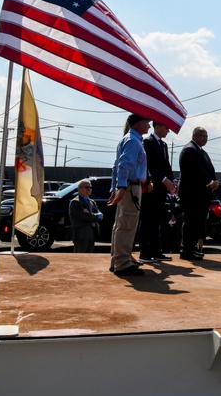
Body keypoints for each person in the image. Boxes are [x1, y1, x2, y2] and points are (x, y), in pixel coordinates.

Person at [107, 113, 150, 276]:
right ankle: (122, 263)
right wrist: (122, 187)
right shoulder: (133, 141)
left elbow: (116, 166)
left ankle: (117, 260)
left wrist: (116, 187)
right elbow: (124, 165)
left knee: (121, 224)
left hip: (128, 187)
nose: (149, 125)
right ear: (139, 123)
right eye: (147, 122)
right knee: (127, 224)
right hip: (131, 187)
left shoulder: (128, 139)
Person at [178, 127, 218, 261]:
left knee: (197, 222)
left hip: (201, 194)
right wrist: (209, 182)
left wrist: (213, 182)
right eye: (202, 136)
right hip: (192, 194)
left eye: (206, 136)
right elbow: (196, 171)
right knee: (191, 222)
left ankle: (192, 248)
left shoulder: (200, 151)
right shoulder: (190, 149)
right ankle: (187, 250)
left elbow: (208, 169)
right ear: (194, 135)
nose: (205, 139)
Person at [140, 121, 176, 262]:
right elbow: (151, 165)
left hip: (161, 189)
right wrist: (163, 179)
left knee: (157, 221)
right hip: (151, 187)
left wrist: (173, 180)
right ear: (157, 127)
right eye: (166, 127)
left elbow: (166, 164)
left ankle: (156, 251)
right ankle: (145, 252)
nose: (168, 130)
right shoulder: (148, 142)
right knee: (147, 220)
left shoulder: (164, 145)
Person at [69, 179, 102, 253]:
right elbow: (86, 217)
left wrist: (93, 215)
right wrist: (96, 216)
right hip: (81, 235)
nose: (89, 189)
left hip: (92, 234)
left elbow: (99, 216)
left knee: (89, 258)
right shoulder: (75, 202)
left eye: (90, 187)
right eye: (87, 187)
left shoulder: (92, 202)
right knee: (80, 257)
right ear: (79, 189)